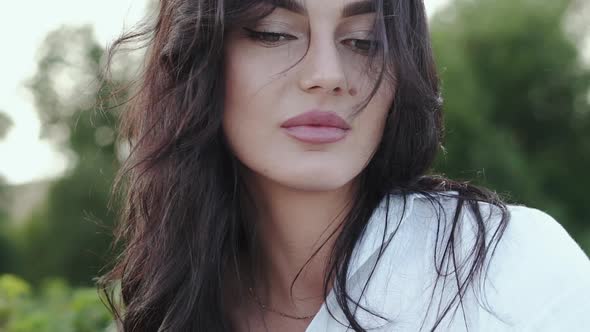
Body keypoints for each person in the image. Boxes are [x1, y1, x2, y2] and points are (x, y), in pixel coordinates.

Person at [96, 0, 590, 331]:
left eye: (363, 41)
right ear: (198, 56)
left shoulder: (513, 267)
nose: (327, 75)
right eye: (273, 33)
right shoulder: (165, 308)